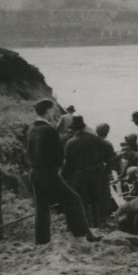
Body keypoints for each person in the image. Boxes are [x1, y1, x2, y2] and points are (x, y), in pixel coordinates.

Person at [26, 99, 100, 245]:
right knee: (73, 199)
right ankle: (83, 234)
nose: (53, 113)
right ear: (47, 111)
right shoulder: (49, 129)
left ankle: (42, 241)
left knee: (41, 208)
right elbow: (59, 155)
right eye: (52, 110)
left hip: (34, 172)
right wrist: (59, 167)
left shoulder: (31, 128)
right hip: (49, 173)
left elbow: (27, 151)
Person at [62, 116, 110, 229]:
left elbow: (68, 164)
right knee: (95, 201)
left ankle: (87, 226)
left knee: (83, 202)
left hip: (80, 176)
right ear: (83, 127)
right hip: (96, 175)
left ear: (74, 129)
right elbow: (108, 151)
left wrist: (63, 178)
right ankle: (98, 225)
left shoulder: (70, 143)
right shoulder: (94, 138)